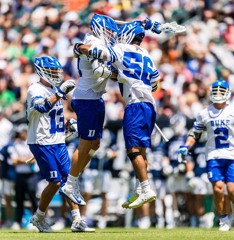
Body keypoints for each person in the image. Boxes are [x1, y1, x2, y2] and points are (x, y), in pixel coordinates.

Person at [78, 20, 161, 208]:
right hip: (149, 103)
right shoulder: (146, 53)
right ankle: (141, 188)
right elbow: (155, 82)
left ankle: (146, 188)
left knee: (132, 149)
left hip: (135, 104)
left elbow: (98, 52)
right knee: (141, 149)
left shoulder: (122, 48)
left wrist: (80, 47)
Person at [26, 55, 92, 233]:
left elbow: (52, 119)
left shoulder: (55, 89)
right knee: (55, 182)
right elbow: (41, 108)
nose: (55, 74)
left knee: (70, 180)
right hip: (41, 142)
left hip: (58, 141)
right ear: (41, 72)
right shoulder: (35, 89)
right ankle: (39, 217)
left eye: (56, 70)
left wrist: (68, 125)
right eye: (52, 71)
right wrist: (60, 93)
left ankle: (77, 219)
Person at [59, 14, 118, 205]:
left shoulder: (100, 45)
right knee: (86, 144)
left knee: (95, 145)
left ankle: (73, 178)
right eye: (108, 30)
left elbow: (107, 72)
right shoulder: (94, 41)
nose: (111, 34)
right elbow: (84, 49)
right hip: (87, 98)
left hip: (94, 98)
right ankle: (71, 182)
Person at [177, 80, 234, 231]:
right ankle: (223, 219)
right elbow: (195, 133)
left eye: (221, 91)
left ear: (227, 93)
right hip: (213, 155)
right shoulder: (204, 113)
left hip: (233, 155)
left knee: (232, 190)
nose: (218, 93)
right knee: (218, 188)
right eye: (216, 90)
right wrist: (186, 146)